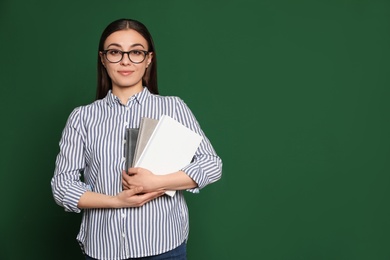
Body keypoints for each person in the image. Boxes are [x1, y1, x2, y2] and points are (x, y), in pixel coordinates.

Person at [51, 18, 222, 260]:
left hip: (163, 247)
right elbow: (62, 186)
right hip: (102, 248)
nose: (125, 61)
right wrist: (116, 201)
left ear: (149, 59)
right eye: (115, 52)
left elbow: (211, 164)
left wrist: (157, 182)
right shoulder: (82, 117)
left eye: (136, 52)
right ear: (103, 58)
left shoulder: (172, 107)